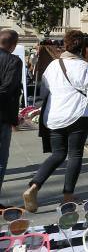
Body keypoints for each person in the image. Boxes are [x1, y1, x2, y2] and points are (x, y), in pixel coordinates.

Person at [23, 31, 88, 212]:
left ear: (65, 45)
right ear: (81, 47)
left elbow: (44, 92)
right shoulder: (84, 66)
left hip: (54, 115)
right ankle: (67, 196)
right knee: (75, 155)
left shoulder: (52, 66)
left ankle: (34, 186)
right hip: (77, 114)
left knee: (57, 154)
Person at [0, 29, 22, 208]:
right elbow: (8, 89)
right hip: (2, 116)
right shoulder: (13, 61)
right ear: (13, 45)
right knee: (1, 159)